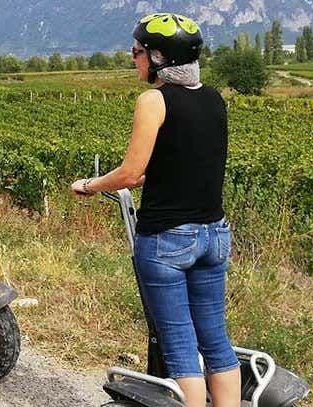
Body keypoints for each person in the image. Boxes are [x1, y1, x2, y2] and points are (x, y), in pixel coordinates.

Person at [69, 13, 239, 407]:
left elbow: (131, 173)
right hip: (214, 235)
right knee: (216, 341)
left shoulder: (154, 99)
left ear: (160, 57)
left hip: (167, 240)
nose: (134, 59)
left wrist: (90, 186)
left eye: (138, 52)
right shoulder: (214, 99)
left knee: (180, 348)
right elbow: (178, 165)